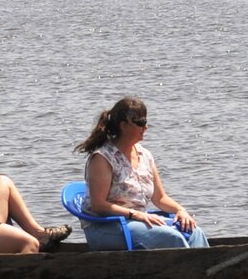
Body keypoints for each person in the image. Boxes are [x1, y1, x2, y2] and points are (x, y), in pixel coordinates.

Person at [75, 96, 208, 249]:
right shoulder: (102, 158)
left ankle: (209, 271)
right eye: (141, 123)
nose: (146, 127)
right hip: (105, 227)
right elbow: (99, 205)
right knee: (171, 237)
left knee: (194, 231)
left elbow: (160, 198)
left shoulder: (145, 156)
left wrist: (181, 211)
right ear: (124, 125)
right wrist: (135, 214)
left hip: (139, 221)